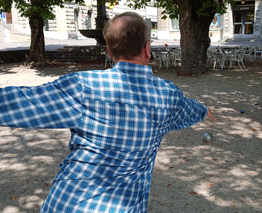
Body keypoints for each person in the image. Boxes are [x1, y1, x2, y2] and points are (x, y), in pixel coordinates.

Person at [0, 12, 215, 212]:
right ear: (147, 49)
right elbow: (190, 111)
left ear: (109, 52)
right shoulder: (167, 96)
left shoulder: (83, 86)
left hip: (68, 203)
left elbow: (18, 103)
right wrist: (206, 111)